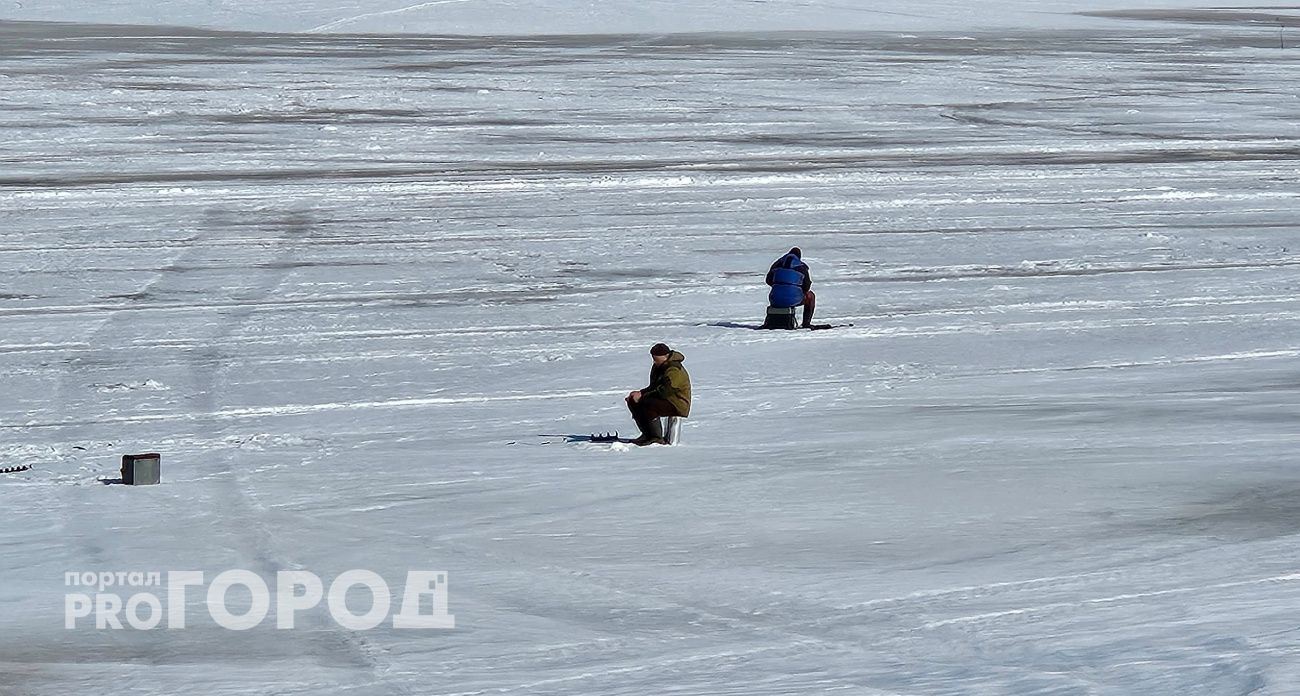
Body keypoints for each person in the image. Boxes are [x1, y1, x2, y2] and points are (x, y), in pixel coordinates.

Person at [625, 343, 691, 446]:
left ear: (665, 356)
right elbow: (654, 387)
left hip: (677, 403)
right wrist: (640, 393)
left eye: (656, 359)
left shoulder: (674, 370)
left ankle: (656, 438)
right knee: (633, 400)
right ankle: (647, 434)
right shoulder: (658, 367)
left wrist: (643, 396)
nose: (654, 361)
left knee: (648, 403)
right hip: (665, 399)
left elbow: (665, 392)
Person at [766, 246, 815, 328]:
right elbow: (807, 287)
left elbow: (768, 280)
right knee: (810, 296)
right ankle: (806, 323)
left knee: (778, 292)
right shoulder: (801, 267)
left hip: (775, 299)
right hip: (792, 299)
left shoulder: (777, 264)